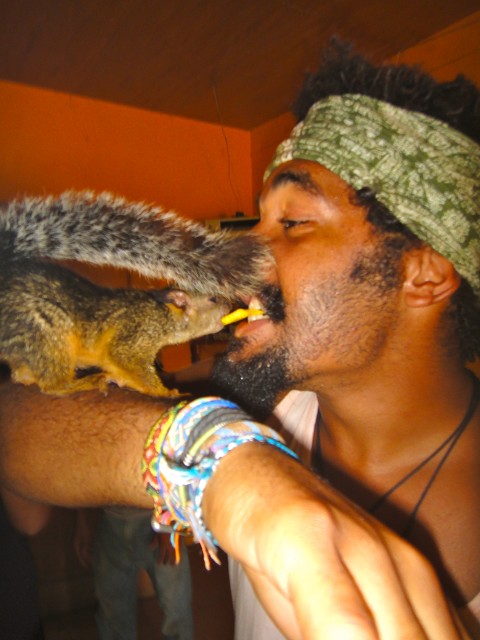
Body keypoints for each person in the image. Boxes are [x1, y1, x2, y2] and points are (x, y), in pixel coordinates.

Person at [0, 40, 478, 639]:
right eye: (257, 221)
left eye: (294, 223)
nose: (242, 258)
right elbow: (15, 423)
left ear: (423, 277)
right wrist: (225, 465)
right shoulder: (266, 412)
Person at [74, 507, 193, 640]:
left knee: (176, 610)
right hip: (110, 520)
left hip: (158, 518)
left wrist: (168, 524)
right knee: (114, 615)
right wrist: (83, 521)